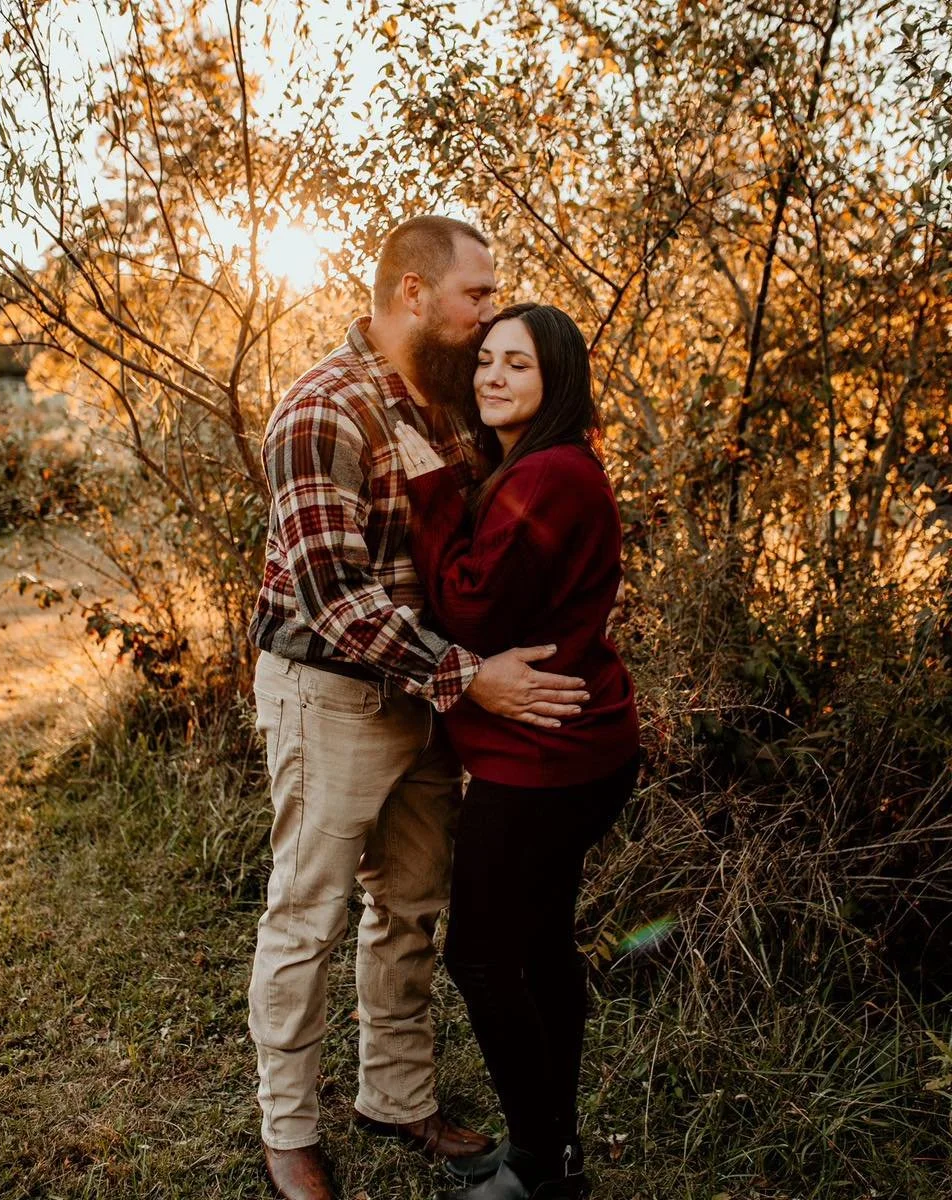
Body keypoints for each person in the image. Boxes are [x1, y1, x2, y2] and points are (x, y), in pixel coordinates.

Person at [247, 219, 592, 1200]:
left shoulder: (448, 406)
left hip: (427, 699)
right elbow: (333, 594)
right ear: (411, 292)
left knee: (409, 907)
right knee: (307, 911)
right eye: (476, 294)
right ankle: (288, 1129)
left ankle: (394, 1098)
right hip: (332, 696)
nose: (489, 311)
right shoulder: (324, 408)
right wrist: (470, 677)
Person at [394, 303, 641, 1200]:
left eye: (520, 366)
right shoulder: (534, 467)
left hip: (544, 764)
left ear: (558, 382)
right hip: (575, 748)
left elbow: (467, 605)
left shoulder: (550, 478)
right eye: (488, 360)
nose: (494, 376)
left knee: (484, 959)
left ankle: (542, 1163)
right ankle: (557, 1150)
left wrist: (427, 495)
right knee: (537, 947)